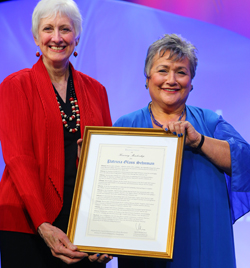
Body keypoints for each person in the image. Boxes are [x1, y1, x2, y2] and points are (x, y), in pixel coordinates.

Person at [114, 34, 250, 268]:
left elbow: (245, 163)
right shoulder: (126, 125)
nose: (171, 80)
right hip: (144, 249)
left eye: (181, 72)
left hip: (206, 244)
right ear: (147, 78)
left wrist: (198, 141)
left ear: (192, 81)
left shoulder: (210, 122)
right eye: (163, 70)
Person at [0, 0, 113, 267]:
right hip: (27, 224)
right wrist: (43, 224)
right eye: (48, 28)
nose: (57, 38)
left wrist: (107, 230)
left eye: (65, 29)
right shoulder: (15, 86)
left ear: (77, 36)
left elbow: (107, 166)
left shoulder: (97, 91)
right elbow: (19, 160)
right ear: (36, 37)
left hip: (82, 225)